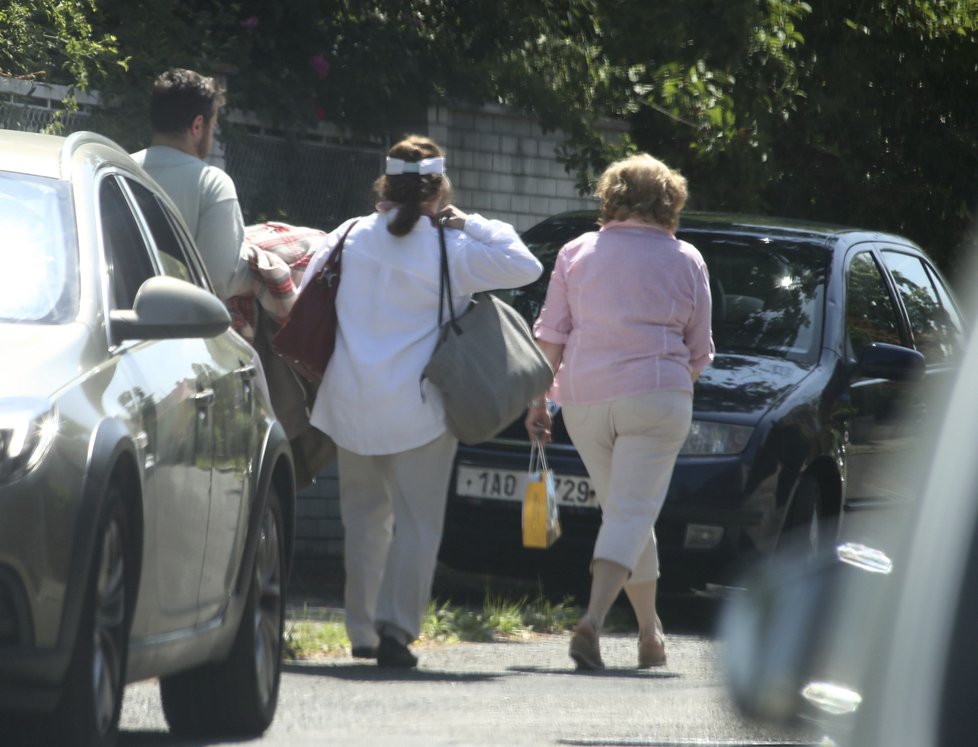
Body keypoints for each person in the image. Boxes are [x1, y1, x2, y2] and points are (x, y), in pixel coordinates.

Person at [300, 134, 543, 668]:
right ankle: (395, 632)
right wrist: (466, 221)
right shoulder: (451, 249)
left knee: (364, 520)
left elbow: (305, 289)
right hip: (419, 410)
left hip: (350, 404)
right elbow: (525, 265)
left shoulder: (350, 234)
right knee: (416, 524)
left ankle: (360, 632)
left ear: (384, 185)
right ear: (440, 192)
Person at [525, 153, 714, 671]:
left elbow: (551, 334)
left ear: (610, 195)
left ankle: (650, 635)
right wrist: (668, 390)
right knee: (632, 513)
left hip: (584, 399)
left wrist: (539, 400)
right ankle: (591, 620)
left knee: (626, 513)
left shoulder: (576, 251)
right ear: (669, 200)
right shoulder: (686, 258)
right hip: (657, 397)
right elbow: (700, 351)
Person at [132, 68, 249, 301]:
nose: (212, 135)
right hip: (180, 328)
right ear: (197, 125)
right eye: (213, 127)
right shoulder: (212, 184)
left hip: (115, 320)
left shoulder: (118, 168)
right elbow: (219, 281)